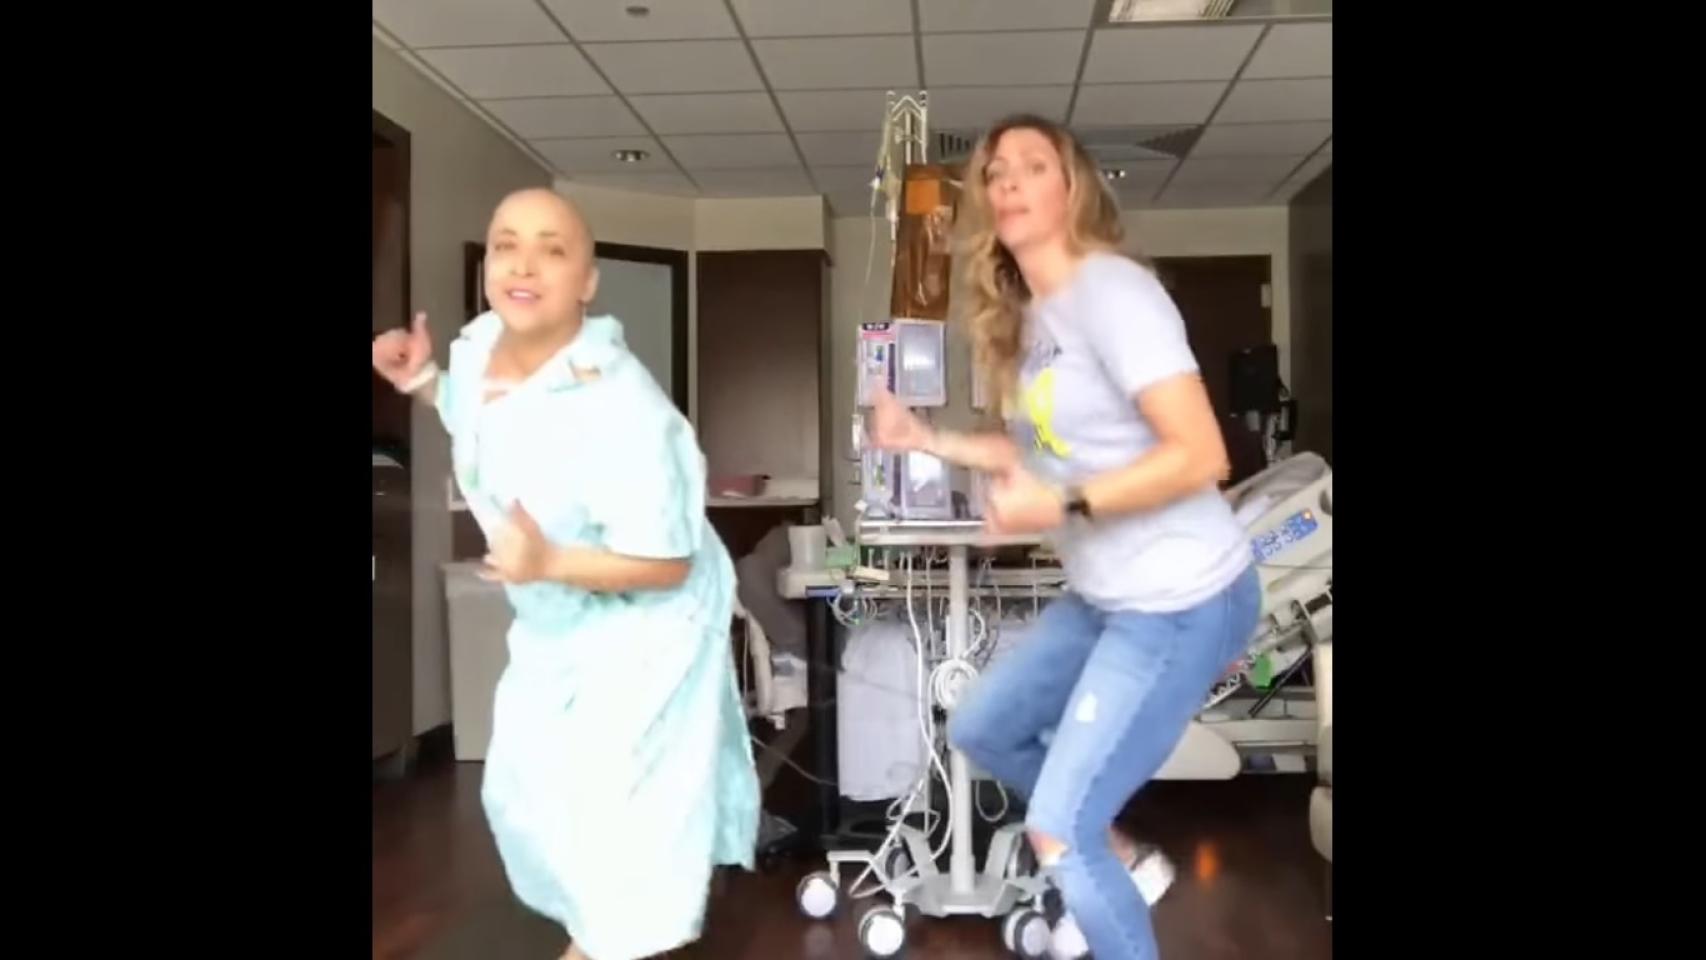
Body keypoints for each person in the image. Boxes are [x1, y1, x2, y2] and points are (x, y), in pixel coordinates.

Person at [868, 115, 1260, 960]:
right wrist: (923, 439)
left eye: (1033, 165)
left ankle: (1097, 858)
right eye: (995, 170)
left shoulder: (1112, 293)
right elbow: (1035, 451)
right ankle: (1127, 862)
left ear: (1072, 189)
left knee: (1059, 829)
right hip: (1107, 595)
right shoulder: (1032, 317)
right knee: (983, 728)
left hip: (1181, 597)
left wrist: (1063, 506)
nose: (1008, 181)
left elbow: (1202, 454)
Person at [371, 188, 759, 960]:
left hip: (651, 619)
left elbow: (667, 562)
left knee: (617, 802)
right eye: (506, 244)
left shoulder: (622, 407)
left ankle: (608, 939)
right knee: (519, 791)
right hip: (556, 615)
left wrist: (546, 559)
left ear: (587, 282)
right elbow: (484, 418)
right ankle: (611, 921)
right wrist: (424, 381)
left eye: (552, 250)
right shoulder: (481, 344)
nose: (523, 264)